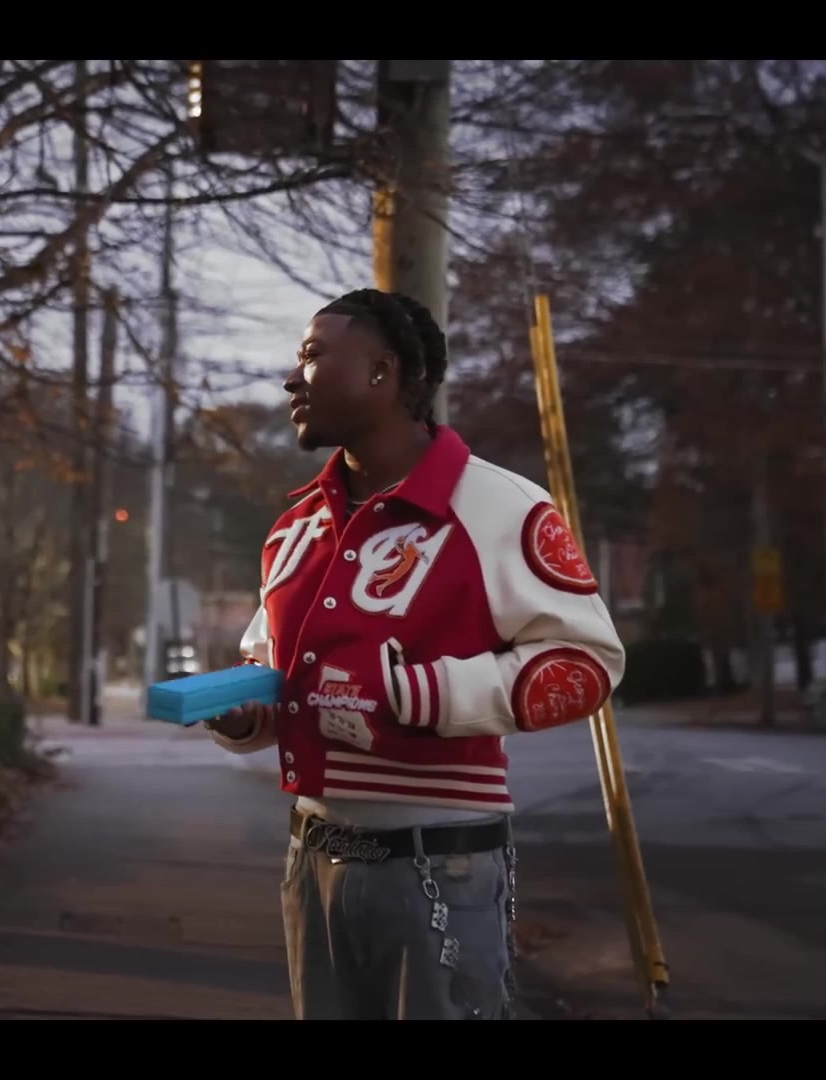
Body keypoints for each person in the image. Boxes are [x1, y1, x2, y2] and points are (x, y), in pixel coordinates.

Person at [200, 287, 625, 1021]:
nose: (292, 379)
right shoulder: (296, 526)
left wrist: (424, 693)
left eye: (312, 356)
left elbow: (586, 663)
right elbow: (273, 670)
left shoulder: (502, 507)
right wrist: (240, 712)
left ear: (382, 371)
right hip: (312, 860)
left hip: (441, 866)